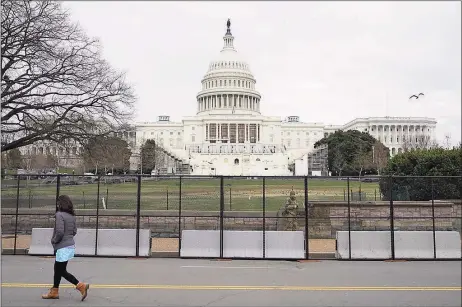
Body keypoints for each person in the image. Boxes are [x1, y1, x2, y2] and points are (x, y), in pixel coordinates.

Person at [41, 195, 90, 301]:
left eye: (58, 203)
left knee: (60, 270)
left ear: (60, 204)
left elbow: (59, 232)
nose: (57, 205)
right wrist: (68, 239)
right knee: (59, 269)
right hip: (70, 246)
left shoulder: (59, 215)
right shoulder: (71, 216)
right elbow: (74, 231)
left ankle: (80, 286)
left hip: (62, 246)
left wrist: (54, 241)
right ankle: (54, 291)